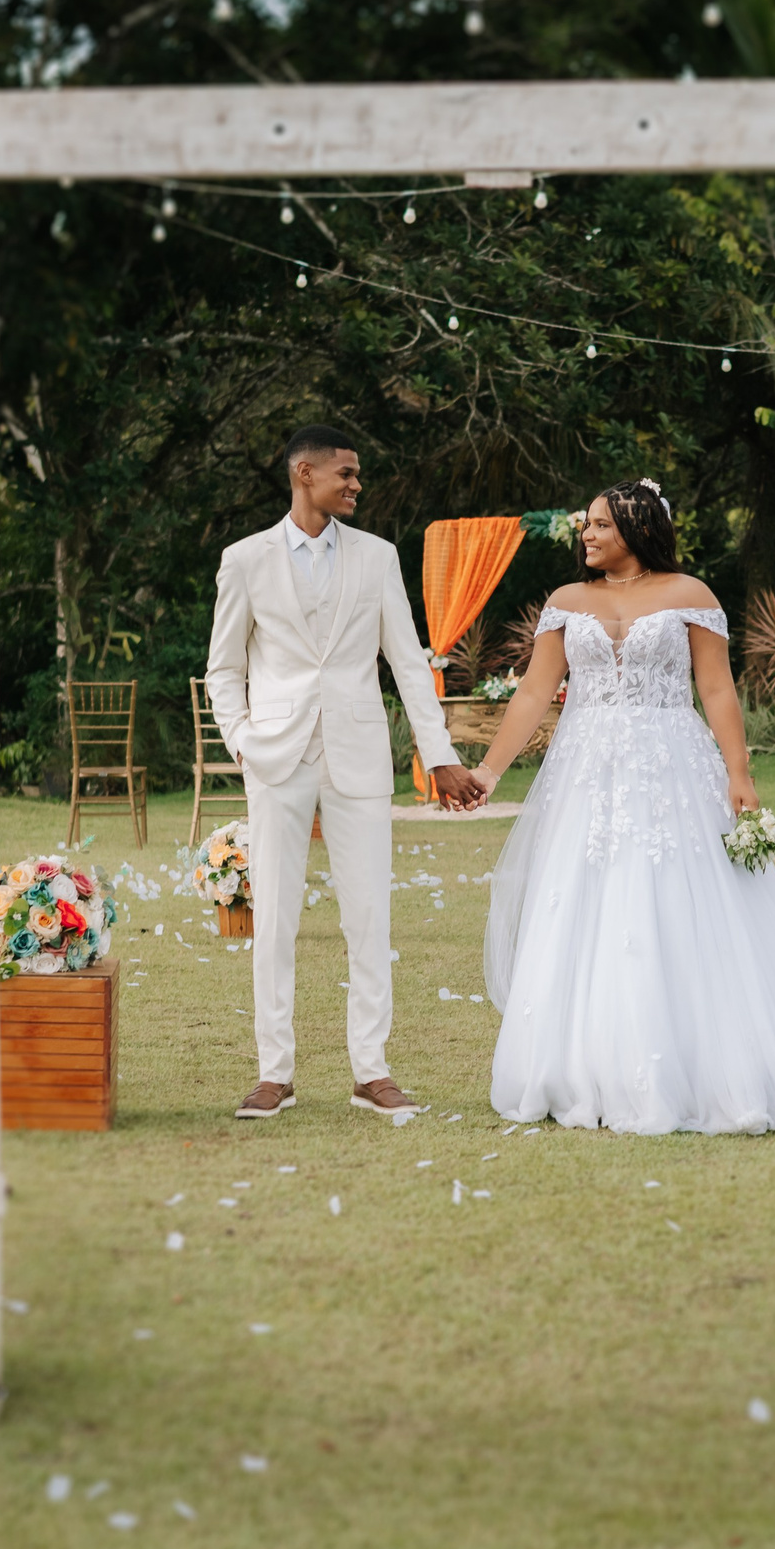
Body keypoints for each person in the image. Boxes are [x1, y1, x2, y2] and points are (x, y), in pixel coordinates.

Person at [464, 479, 775, 1134]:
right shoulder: (565, 602)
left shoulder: (690, 595)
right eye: (588, 524)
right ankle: (578, 1069)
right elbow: (533, 693)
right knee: (580, 901)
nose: (587, 534)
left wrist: (739, 772)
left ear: (638, 529)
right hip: (585, 775)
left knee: (671, 895)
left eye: (602, 525)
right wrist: (488, 772)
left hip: (670, 767)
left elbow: (716, 688)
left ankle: (694, 1066)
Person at [205, 426, 488, 1121]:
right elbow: (224, 668)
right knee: (273, 918)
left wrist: (440, 755)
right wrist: (241, 741)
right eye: (347, 473)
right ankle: (274, 1073)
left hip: (357, 755)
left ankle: (371, 1071)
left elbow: (409, 664)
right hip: (276, 757)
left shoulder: (377, 556)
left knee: (369, 917)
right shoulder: (245, 560)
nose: (358, 484)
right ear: (305, 473)